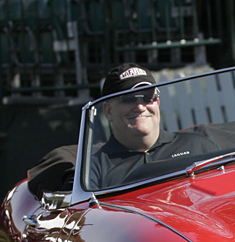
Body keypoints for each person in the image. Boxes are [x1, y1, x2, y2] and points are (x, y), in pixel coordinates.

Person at [91, 63, 219, 188]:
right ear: (108, 111)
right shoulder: (94, 169)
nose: (140, 107)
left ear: (157, 102)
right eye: (129, 98)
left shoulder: (199, 147)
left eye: (147, 97)